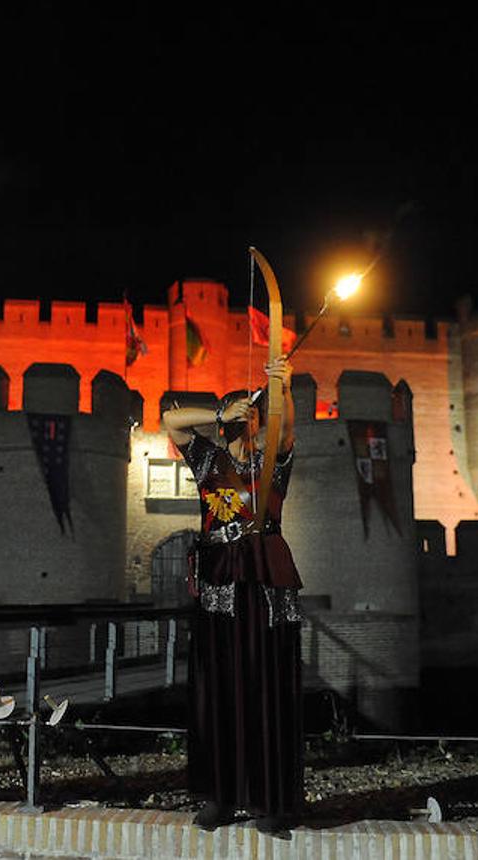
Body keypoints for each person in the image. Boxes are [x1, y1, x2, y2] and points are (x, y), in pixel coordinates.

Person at [161, 356, 302, 834]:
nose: (250, 417)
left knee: (268, 686)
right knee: (218, 688)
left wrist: (278, 384)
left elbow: (285, 430)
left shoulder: (273, 461)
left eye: (255, 411)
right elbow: (171, 420)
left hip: (265, 576)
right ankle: (220, 796)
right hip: (220, 577)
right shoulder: (208, 458)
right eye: (241, 411)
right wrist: (221, 413)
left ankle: (272, 800)